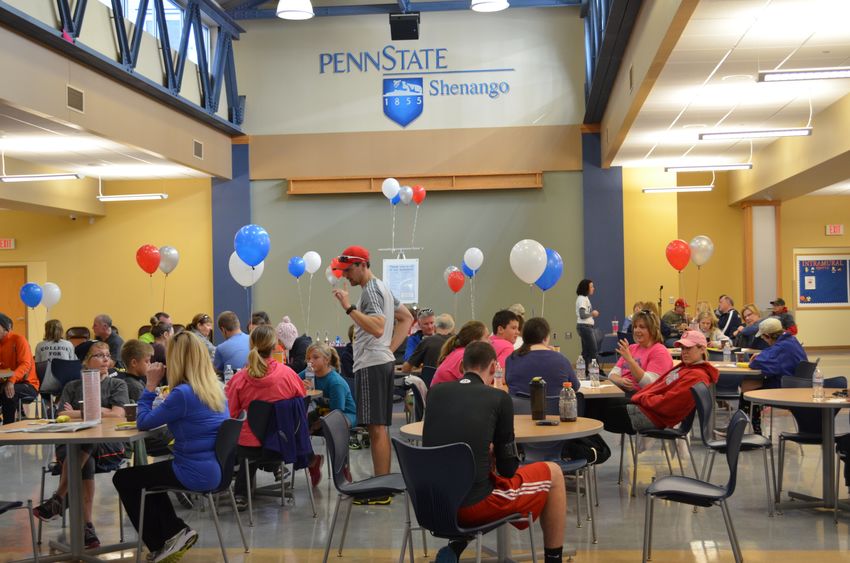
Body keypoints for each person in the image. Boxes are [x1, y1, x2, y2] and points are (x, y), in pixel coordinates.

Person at [423, 341, 567, 563]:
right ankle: (554, 559)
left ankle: (458, 544)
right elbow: (508, 468)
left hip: (431, 505)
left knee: (477, 472)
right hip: (472, 507)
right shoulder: (498, 398)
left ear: (462, 366)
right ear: (493, 368)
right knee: (554, 473)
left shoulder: (435, 393)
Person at [112, 331, 229, 562]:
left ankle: (163, 541)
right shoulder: (215, 387)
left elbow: (143, 422)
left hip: (192, 471)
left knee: (124, 479)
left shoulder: (183, 394)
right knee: (148, 478)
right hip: (216, 469)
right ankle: (174, 533)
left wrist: (150, 385)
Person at [331, 245, 413, 487]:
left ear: (362, 265)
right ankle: (382, 482)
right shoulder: (383, 289)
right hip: (381, 361)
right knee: (379, 427)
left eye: (348, 270)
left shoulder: (370, 291)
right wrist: (389, 348)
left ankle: (380, 487)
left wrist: (348, 308)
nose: (345, 275)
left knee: (376, 428)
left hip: (372, 363)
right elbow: (407, 318)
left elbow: (377, 327)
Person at [33, 341, 128, 549]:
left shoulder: (117, 384)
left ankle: (59, 498)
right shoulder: (72, 386)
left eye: (107, 355)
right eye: (99, 355)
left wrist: (78, 413)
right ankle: (87, 527)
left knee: (89, 441)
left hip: (108, 447)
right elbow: (61, 414)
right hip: (72, 445)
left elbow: (118, 414)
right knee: (86, 452)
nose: (105, 359)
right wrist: (101, 411)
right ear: (86, 362)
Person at [225, 325, 315, 501]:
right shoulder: (288, 374)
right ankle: (277, 469)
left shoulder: (239, 378)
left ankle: (241, 494)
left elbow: (232, 413)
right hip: (284, 444)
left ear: (251, 346)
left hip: (250, 449)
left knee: (243, 439)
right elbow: (300, 406)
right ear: (275, 347)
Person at [593, 331, 718, 434]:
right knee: (598, 402)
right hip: (647, 407)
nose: (684, 352)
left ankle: (587, 455)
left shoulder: (696, 376)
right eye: (682, 348)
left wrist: (643, 397)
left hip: (652, 416)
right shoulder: (687, 367)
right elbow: (658, 387)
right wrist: (642, 397)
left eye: (688, 348)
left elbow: (667, 404)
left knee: (592, 412)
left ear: (702, 349)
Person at [744, 317, 808, 433]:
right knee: (751, 385)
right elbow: (773, 356)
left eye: (764, 338)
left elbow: (756, 364)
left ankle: (747, 430)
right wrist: (762, 354)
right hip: (797, 385)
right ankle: (751, 429)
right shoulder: (791, 340)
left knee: (747, 389)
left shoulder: (781, 347)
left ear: (768, 336)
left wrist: (758, 357)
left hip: (786, 390)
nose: (764, 341)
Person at [505, 317, 578, 396]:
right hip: (555, 407)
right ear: (546, 337)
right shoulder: (562, 360)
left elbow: (509, 384)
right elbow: (575, 387)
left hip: (520, 407)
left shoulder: (511, 359)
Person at [608, 309, 673, 392]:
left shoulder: (659, 351)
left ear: (652, 329)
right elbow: (611, 375)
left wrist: (630, 361)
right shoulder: (631, 348)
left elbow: (649, 384)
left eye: (642, 327)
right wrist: (620, 381)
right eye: (635, 327)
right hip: (621, 391)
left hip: (639, 397)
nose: (637, 330)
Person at [299, 341, 356, 430]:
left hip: (345, 415)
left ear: (327, 359)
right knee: (299, 421)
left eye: (315, 357)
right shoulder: (308, 372)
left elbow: (336, 414)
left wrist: (315, 427)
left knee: (331, 426)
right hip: (322, 412)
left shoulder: (336, 383)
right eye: (308, 358)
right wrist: (299, 386)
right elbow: (292, 381)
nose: (310, 361)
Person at [0, 313, 38, 424]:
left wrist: (11, 380)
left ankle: (8, 427)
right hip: (6, 382)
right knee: (6, 389)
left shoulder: (19, 340)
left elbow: (25, 364)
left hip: (28, 384)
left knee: (8, 392)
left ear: (4, 326)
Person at [431, 320, 488, 387]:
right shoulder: (465, 356)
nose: (490, 341)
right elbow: (474, 385)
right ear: (475, 342)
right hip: (446, 395)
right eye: (487, 337)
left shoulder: (458, 352)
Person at [575, 279, 600, 368]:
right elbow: (582, 315)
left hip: (584, 327)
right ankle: (597, 371)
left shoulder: (584, 298)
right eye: (591, 286)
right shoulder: (582, 299)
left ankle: (585, 371)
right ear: (586, 288)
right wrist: (592, 313)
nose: (593, 288)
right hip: (585, 327)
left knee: (586, 351)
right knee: (593, 350)